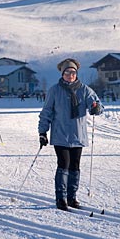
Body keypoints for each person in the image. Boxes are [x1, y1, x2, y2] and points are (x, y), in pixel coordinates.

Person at [38, 58, 103, 211]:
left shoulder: (85, 89)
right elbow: (46, 112)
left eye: (73, 72)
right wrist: (42, 132)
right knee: (63, 165)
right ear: (62, 74)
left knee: (75, 166)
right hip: (60, 135)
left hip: (78, 135)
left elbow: (97, 105)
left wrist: (96, 108)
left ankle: (72, 197)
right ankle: (61, 198)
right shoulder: (54, 90)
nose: (70, 75)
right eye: (67, 72)